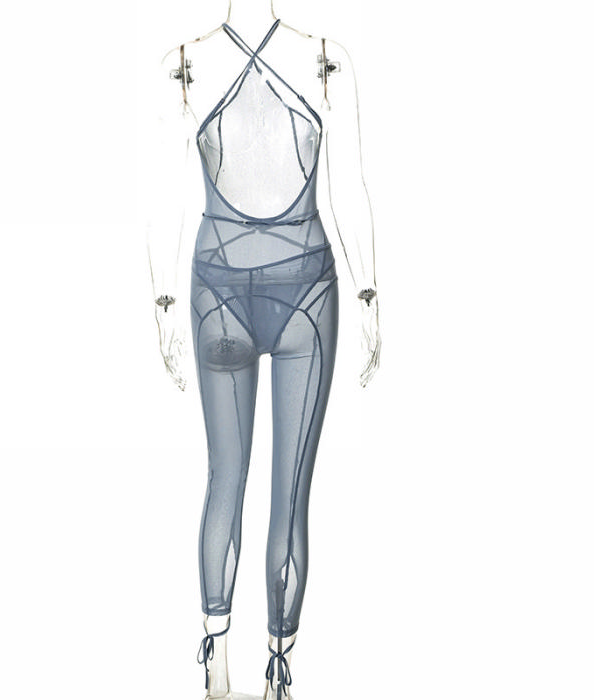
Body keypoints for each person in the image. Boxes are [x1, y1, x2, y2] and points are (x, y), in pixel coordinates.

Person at [147, 3, 381, 698]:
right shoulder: (324, 62)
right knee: (287, 492)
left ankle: (217, 661)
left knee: (226, 476)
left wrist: (163, 300)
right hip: (306, 294)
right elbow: (348, 192)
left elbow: (166, 199)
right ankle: (276, 673)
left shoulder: (186, 65)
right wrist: (369, 294)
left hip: (218, 291)